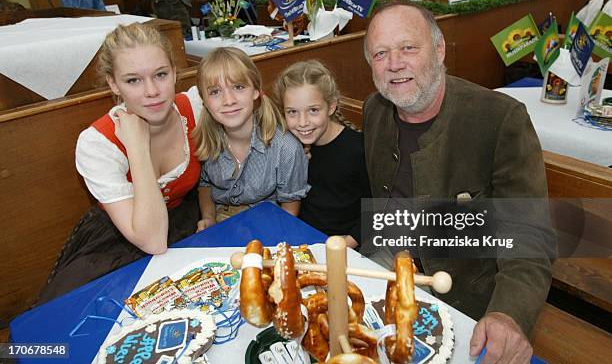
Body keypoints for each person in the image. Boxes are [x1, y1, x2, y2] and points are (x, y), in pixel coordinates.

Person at [362, 1, 555, 363]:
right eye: (381, 53)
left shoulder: (499, 119)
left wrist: (508, 314)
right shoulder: (375, 110)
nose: (394, 63)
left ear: (439, 50)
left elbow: (530, 237)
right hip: (391, 276)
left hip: (467, 303)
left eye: (408, 48)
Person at [38, 23, 203, 304]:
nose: (152, 91)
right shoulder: (96, 144)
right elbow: (152, 240)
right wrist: (137, 147)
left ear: (175, 72)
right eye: (133, 80)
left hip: (186, 220)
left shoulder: (196, 106)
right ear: (113, 84)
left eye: (160, 75)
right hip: (120, 239)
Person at [194, 47, 309, 229]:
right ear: (204, 101)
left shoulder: (286, 148)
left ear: (256, 91)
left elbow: (290, 208)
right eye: (215, 92)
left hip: (269, 226)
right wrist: (208, 218)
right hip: (219, 224)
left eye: (238, 87)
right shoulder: (205, 140)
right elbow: (205, 184)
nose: (228, 100)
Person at [273, 60, 371, 249]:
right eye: (292, 112)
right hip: (302, 242)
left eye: (313, 110)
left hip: (347, 245)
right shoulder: (290, 147)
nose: (303, 122)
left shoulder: (358, 149)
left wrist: (349, 242)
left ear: (332, 106)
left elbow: (378, 208)